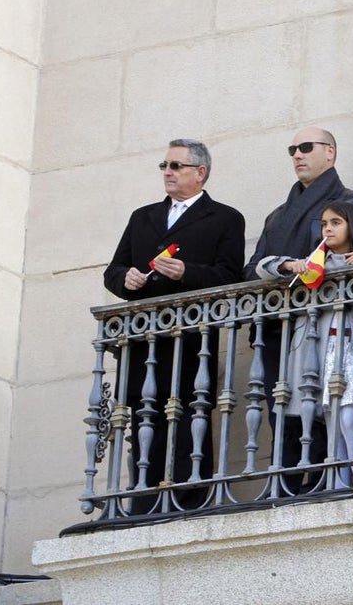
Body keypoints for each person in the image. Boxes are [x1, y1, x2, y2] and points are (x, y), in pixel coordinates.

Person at [104, 138, 245, 513]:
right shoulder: (143, 216)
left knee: (187, 416)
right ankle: (142, 501)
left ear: (200, 173)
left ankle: (189, 500)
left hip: (191, 338)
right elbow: (113, 270)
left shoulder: (225, 218)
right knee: (142, 417)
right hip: (145, 337)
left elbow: (230, 276)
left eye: (176, 166)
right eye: (164, 165)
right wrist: (126, 280)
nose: (167, 172)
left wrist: (187, 273)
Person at [244, 127, 353, 482]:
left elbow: (352, 256)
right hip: (278, 327)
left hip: (327, 326)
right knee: (282, 413)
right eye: (292, 149)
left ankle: (321, 483)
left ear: (330, 153)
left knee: (327, 411)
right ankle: (284, 487)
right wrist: (287, 265)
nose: (297, 155)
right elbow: (250, 269)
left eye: (306, 147)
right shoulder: (277, 215)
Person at [274, 201, 353, 489]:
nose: (328, 228)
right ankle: (340, 486)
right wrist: (287, 264)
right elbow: (263, 268)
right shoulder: (314, 264)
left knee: (350, 419)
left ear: (352, 226)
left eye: (336, 222)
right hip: (324, 351)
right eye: (324, 224)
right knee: (333, 423)